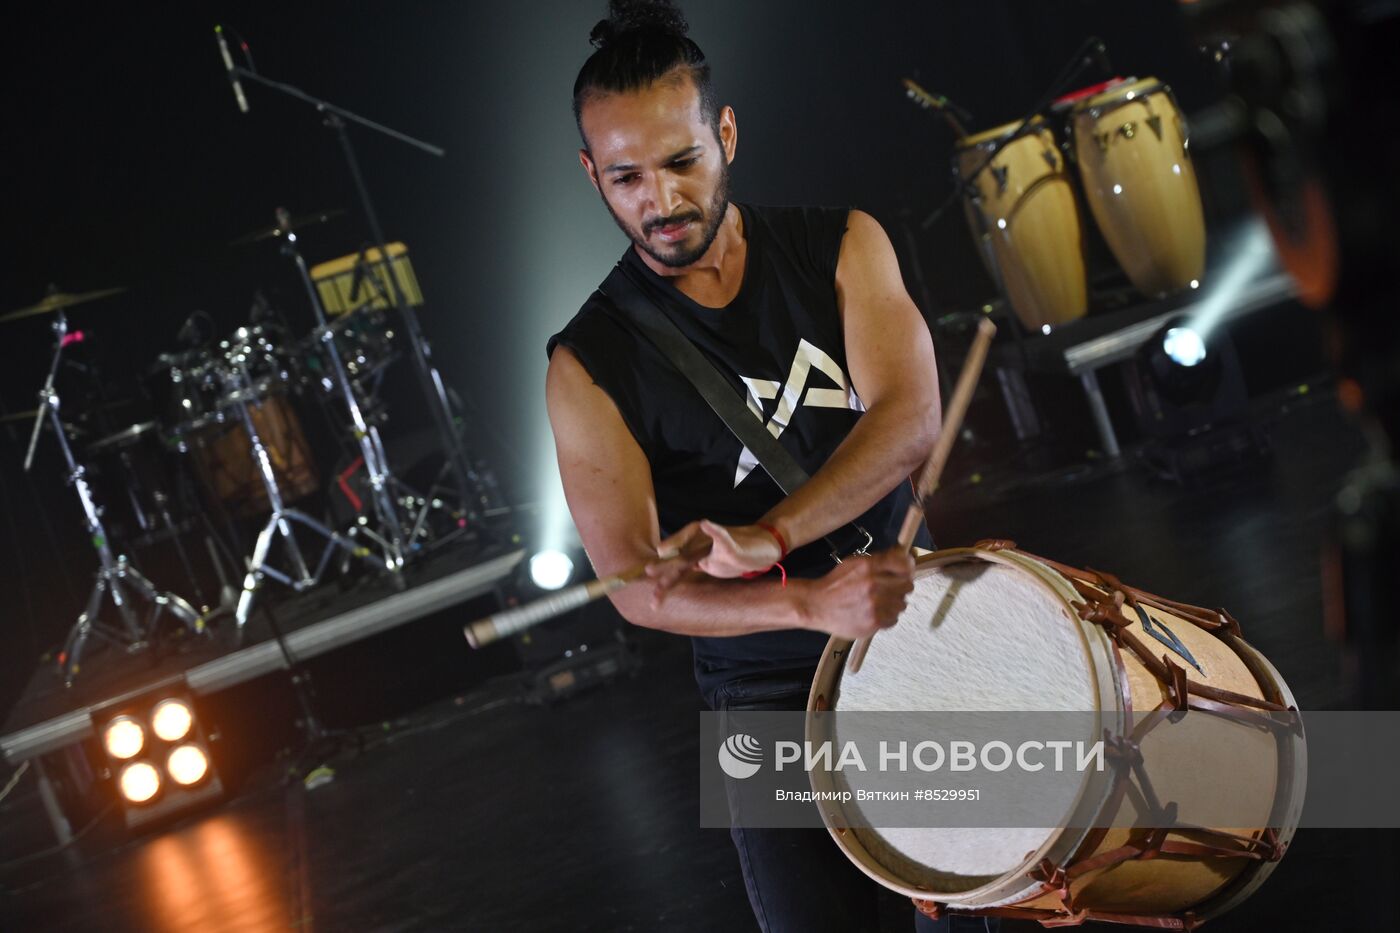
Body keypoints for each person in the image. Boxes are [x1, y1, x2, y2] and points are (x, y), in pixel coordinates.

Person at [547, 2, 993, 931]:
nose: (660, 200)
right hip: (759, 687)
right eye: (625, 177)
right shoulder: (587, 364)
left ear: (728, 135)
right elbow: (636, 586)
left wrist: (772, 535)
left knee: (976, 911)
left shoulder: (840, 246)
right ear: (591, 174)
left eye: (682, 162)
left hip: (914, 628)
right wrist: (800, 601)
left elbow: (911, 420)